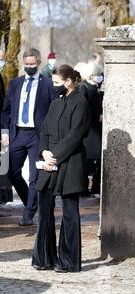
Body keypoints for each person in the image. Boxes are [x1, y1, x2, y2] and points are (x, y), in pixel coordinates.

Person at [32, 64, 90, 273]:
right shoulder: (56, 103)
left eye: (57, 83)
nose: (54, 86)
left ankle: (68, 261)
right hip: (50, 161)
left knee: (69, 211)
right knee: (44, 206)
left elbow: (75, 135)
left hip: (70, 161)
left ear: (68, 81)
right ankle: (44, 257)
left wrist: (55, 156)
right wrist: (44, 151)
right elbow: (45, 129)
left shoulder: (80, 102)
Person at [1, 48, 57, 226]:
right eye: (26, 64)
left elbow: (53, 110)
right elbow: (7, 109)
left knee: (34, 176)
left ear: (39, 63)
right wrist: (5, 131)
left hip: (37, 134)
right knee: (11, 171)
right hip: (18, 133)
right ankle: (30, 203)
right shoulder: (15, 83)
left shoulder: (47, 84)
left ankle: (28, 214)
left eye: (32, 64)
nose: (29, 67)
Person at [78, 62, 103, 195]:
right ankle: (83, 188)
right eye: (98, 74)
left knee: (96, 158)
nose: (100, 77)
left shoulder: (95, 87)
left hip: (95, 129)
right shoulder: (84, 88)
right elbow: (83, 108)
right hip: (89, 129)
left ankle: (94, 187)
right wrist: (97, 115)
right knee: (87, 159)